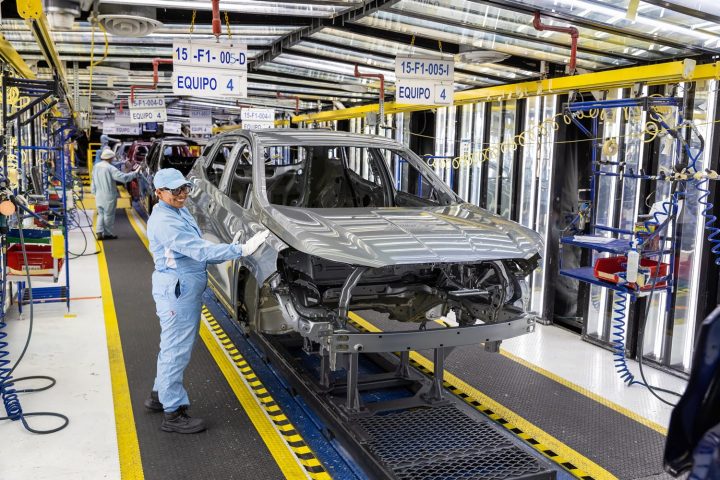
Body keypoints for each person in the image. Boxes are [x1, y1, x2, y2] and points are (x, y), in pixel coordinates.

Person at [144, 168, 269, 434]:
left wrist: (230, 246)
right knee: (176, 349)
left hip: (184, 286)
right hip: (177, 290)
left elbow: (198, 248)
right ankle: (173, 413)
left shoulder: (178, 211)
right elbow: (198, 250)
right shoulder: (165, 221)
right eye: (175, 190)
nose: (181, 195)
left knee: (171, 345)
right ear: (159, 192)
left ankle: (159, 395)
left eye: (184, 189)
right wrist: (239, 250)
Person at [91, 148, 138, 240]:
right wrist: (134, 174)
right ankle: (108, 234)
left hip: (98, 194)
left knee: (101, 213)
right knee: (109, 215)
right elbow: (123, 178)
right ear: (110, 158)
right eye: (112, 158)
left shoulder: (96, 166)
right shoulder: (110, 168)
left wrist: (93, 192)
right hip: (108, 195)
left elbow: (93, 180)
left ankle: (99, 232)